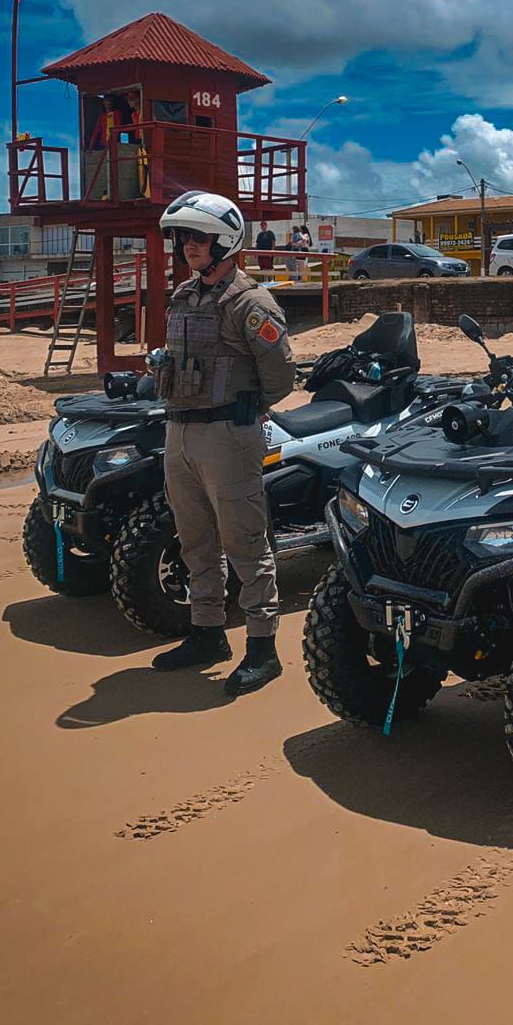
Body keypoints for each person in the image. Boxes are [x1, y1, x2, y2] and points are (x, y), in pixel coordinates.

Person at [150, 191, 296, 696]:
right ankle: (207, 633)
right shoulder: (185, 296)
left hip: (229, 436)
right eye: (183, 237)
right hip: (182, 432)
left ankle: (263, 648)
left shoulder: (250, 303)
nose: (189, 246)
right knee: (195, 541)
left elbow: (280, 377)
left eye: (198, 237)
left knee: (245, 543)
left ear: (224, 241)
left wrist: (244, 412)